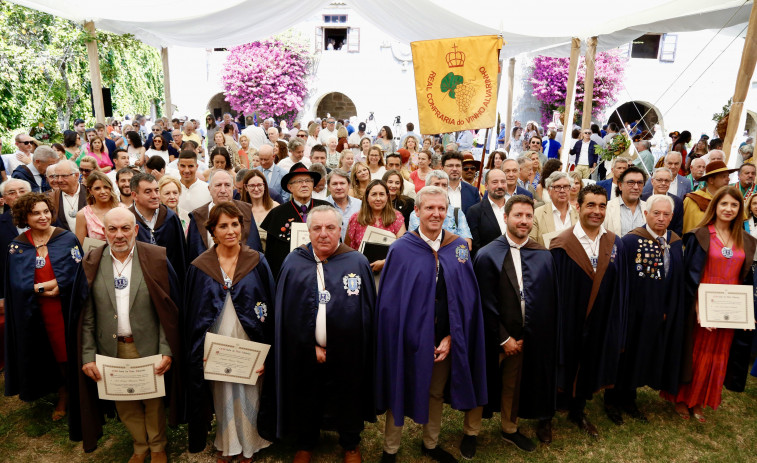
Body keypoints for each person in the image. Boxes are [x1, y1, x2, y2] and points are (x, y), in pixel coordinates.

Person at [376, 186, 487, 463]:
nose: (436, 214)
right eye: (429, 208)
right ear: (417, 211)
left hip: (444, 339)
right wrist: (412, 336)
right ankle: (390, 449)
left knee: (435, 392)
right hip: (409, 338)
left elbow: (466, 299)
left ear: (447, 212)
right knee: (399, 388)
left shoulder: (458, 247)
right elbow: (391, 303)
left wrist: (451, 336)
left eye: (441, 208)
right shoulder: (401, 249)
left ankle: (431, 442)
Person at [69, 208, 182, 458]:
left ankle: (157, 446)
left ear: (136, 230)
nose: (119, 235)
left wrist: (166, 349)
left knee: (153, 401)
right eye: (112, 229)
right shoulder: (91, 261)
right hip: (112, 349)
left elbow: (168, 310)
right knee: (125, 402)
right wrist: (87, 355)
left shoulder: (156, 257)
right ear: (103, 231)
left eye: (125, 228)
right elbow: (86, 315)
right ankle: (139, 446)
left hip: (149, 346)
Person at [274, 206, 376, 463]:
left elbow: (365, 313)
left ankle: (350, 443)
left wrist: (341, 346)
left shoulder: (356, 261)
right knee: (307, 394)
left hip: (348, 351)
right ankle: (306, 442)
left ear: (340, 230)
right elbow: (288, 315)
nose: (323, 234)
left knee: (349, 395)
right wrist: (311, 346)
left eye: (330, 227)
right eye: (317, 228)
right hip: (305, 350)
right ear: (308, 231)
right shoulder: (294, 262)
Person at [184, 202, 274, 461]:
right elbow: (194, 312)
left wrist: (267, 351)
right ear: (212, 230)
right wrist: (198, 348)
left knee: (251, 387)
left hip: (249, 337)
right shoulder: (200, 266)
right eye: (223, 225)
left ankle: (250, 442)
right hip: (217, 339)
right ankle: (227, 441)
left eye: (235, 224)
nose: (231, 230)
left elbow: (269, 302)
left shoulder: (256, 260)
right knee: (222, 389)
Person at [661, 186, 757, 422]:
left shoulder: (746, 240)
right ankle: (683, 399)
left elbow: (746, 279)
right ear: (715, 206)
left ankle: (701, 400)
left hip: (730, 307)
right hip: (702, 305)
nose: (729, 209)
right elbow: (689, 277)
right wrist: (698, 310)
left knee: (719, 355)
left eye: (734, 205)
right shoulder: (700, 235)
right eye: (724, 204)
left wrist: (747, 312)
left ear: (740, 209)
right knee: (695, 353)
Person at [474, 194, 558, 448]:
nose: (523, 221)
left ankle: (510, 428)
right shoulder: (487, 254)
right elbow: (482, 303)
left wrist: (529, 334)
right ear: (506, 217)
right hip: (494, 333)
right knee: (482, 381)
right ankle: (471, 433)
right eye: (518, 215)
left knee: (514, 383)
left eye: (528, 216)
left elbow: (548, 300)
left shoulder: (542, 254)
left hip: (524, 335)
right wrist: (503, 337)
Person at [549, 184, 627, 438]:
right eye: (590, 205)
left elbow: (620, 287)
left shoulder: (615, 244)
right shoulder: (561, 244)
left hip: (599, 320)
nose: (596, 211)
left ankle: (578, 410)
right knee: (559, 365)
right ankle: (546, 416)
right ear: (578, 206)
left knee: (589, 364)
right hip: (568, 319)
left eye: (602, 206)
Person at [603, 194, 685, 425]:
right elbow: (619, 279)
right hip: (632, 311)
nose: (661, 218)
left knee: (642, 355)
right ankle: (611, 401)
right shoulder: (629, 242)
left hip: (659, 312)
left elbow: (676, 279)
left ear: (672, 217)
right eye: (656, 213)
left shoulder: (676, 242)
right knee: (625, 354)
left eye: (666, 214)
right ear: (646, 214)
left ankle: (630, 398)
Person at [4, 192, 82, 421]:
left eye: (46, 211)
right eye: (35, 213)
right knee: (47, 353)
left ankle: (78, 392)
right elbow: (15, 284)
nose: (43, 217)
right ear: (24, 217)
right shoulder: (17, 247)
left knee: (68, 351)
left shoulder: (66, 239)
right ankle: (61, 392)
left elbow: (79, 273)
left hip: (65, 309)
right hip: (35, 313)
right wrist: (41, 289)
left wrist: (59, 284)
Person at [260, 163, 330, 277]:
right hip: (290, 275)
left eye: (308, 181)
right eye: (298, 181)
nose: (304, 185)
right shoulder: (277, 214)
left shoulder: (326, 209)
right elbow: (271, 256)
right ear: (289, 187)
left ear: (313, 185)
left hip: (323, 272)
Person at [187, 169, 262, 262]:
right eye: (218, 185)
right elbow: (193, 254)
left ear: (233, 188)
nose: (223, 190)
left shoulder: (245, 210)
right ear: (209, 189)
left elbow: (254, 247)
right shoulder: (198, 215)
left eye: (227, 185)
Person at [128, 172, 188, 279]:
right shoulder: (127, 220)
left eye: (156, 190)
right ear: (134, 195)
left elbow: (181, 258)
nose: (155, 196)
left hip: (169, 283)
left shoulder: (170, 217)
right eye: (148, 192)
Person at [345, 180, 406, 271]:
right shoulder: (356, 219)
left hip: (389, 269)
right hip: (360, 269)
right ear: (367, 197)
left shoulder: (396, 217)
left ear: (387, 196)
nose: (378, 198)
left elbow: (402, 248)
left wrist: (385, 262)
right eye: (374, 194)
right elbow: (347, 248)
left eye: (381, 194)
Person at [408, 170, 473, 250]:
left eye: (444, 185)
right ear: (427, 186)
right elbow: (416, 242)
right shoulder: (416, 213)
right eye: (436, 184)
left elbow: (466, 243)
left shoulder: (457, 213)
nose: (441, 188)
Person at [683, 161, 737, 234]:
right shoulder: (692, 200)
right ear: (711, 180)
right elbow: (686, 228)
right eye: (723, 176)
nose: (728, 179)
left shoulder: (732, 200)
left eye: (728, 176)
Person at [529, 171, 579, 247]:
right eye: (557, 187)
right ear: (549, 190)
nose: (562, 190)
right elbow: (531, 243)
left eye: (566, 187)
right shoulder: (537, 214)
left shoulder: (579, 213)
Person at [75, 171, 121, 244]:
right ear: (90, 191)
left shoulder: (122, 209)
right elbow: (80, 246)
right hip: (96, 254)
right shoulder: (83, 214)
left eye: (106, 187)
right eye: (97, 188)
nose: (102, 191)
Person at [603, 166, 647, 237]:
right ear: (620, 185)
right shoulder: (607, 208)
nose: (636, 187)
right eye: (631, 182)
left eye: (639, 183)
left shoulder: (649, 208)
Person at [49, 160, 87, 232]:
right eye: (57, 176)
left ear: (76, 175)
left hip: (89, 242)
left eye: (64, 176)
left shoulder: (90, 194)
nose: (59, 180)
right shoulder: (51, 198)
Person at [326, 169, 361, 241]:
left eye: (342, 183)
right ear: (329, 187)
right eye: (334, 184)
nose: (339, 187)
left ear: (349, 185)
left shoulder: (360, 205)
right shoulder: (321, 206)